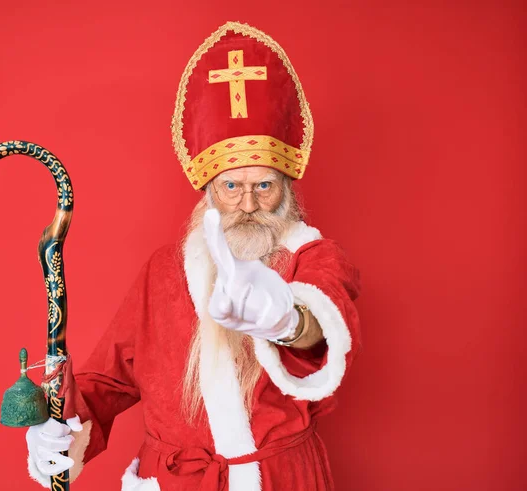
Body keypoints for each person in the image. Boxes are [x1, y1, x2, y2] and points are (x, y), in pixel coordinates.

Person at [25, 21, 362, 491]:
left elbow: (324, 327)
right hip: (176, 481)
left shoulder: (316, 257)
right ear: (207, 190)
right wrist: (61, 428)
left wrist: (288, 320)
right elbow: (109, 379)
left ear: (286, 188)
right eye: (231, 187)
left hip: (279, 479)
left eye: (263, 185)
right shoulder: (165, 269)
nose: (247, 205)